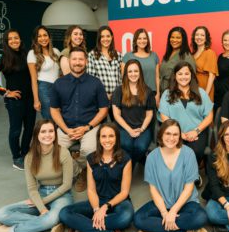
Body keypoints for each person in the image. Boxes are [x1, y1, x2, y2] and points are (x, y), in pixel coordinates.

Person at [0, 119, 73, 232]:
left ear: (55, 134)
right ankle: (51, 223)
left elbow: (67, 185)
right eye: (43, 131)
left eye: (51, 131)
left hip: (62, 195)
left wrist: (43, 202)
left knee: (49, 218)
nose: (47, 135)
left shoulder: (63, 153)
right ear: (37, 135)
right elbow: (32, 188)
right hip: (41, 193)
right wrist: (42, 207)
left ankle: (5, 231)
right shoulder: (30, 158)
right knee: (2, 213)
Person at [59, 123, 133, 232]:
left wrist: (105, 208)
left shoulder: (125, 159)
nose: (107, 140)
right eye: (104, 136)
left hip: (119, 202)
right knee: (65, 213)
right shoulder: (91, 159)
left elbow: (124, 192)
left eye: (111, 136)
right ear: (99, 139)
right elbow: (92, 190)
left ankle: (81, 227)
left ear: (117, 138)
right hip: (97, 201)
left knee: (126, 217)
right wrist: (96, 210)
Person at [133, 119, 210, 232]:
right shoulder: (152, 157)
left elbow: (189, 188)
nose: (171, 138)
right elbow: (153, 190)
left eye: (175, 134)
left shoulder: (188, 154)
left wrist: (173, 212)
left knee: (201, 217)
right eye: (168, 133)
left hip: (185, 203)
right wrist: (165, 213)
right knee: (138, 219)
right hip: (162, 203)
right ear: (161, 134)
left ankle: (155, 227)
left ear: (180, 136)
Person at [50, 46, 109, 191]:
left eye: (81, 59)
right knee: (52, 151)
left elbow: (103, 110)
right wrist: (65, 129)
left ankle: (83, 171)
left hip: (89, 126)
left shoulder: (96, 83)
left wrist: (87, 127)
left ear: (86, 62)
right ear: (69, 61)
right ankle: (78, 170)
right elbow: (54, 110)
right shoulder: (59, 83)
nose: (77, 62)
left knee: (90, 150)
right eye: (74, 59)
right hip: (66, 127)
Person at [0, 29, 36, 170]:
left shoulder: (28, 55)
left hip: (30, 99)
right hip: (15, 102)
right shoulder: (3, 58)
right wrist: (5, 92)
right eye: (10, 39)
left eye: (16, 37)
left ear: (20, 39)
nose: (14, 40)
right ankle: (16, 157)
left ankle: (25, 153)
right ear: (7, 42)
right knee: (15, 130)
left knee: (29, 128)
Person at [159, 61, 213, 186]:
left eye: (186, 74)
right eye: (180, 74)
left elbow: (209, 116)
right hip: (174, 133)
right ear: (175, 76)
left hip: (197, 132)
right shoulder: (167, 94)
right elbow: (164, 117)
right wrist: (179, 134)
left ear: (191, 76)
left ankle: (188, 177)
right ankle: (191, 177)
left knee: (194, 152)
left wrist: (196, 131)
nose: (183, 77)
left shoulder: (201, 93)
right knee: (178, 151)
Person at [112, 59, 155, 167]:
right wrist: (129, 130)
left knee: (140, 147)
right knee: (126, 144)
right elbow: (116, 115)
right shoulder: (119, 90)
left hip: (143, 127)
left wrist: (142, 129)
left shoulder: (148, 91)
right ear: (126, 74)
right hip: (123, 127)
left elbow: (149, 114)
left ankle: (128, 167)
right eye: (130, 71)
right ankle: (134, 164)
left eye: (136, 71)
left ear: (140, 73)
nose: (133, 74)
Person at [27, 25, 61, 120]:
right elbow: (33, 79)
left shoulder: (56, 52)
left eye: (45, 35)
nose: (43, 38)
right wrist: (36, 100)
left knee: (60, 116)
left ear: (49, 37)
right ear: (36, 39)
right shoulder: (32, 54)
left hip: (58, 87)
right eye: (39, 36)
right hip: (44, 88)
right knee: (50, 118)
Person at [122, 28, 161, 106]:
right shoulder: (128, 56)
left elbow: (157, 77)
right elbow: (124, 78)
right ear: (135, 40)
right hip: (134, 94)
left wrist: (158, 94)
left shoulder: (154, 56)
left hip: (152, 93)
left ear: (148, 40)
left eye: (144, 38)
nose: (142, 41)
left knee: (152, 116)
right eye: (139, 38)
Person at [88, 25, 122, 101]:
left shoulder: (118, 55)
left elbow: (121, 78)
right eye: (102, 37)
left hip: (117, 99)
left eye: (108, 36)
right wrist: (103, 94)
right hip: (100, 98)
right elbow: (91, 79)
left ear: (112, 37)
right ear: (99, 39)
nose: (105, 39)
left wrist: (118, 94)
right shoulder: (92, 55)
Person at [159, 27, 196, 93]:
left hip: (176, 93)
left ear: (183, 40)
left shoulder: (186, 56)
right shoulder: (168, 54)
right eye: (172, 37)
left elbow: (192, 77)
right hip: (163, 92)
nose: (174, 40)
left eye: (178, 38)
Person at [191, 26, 218, 101]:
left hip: (205, 87)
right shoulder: (192, 54)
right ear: (194, 37)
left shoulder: (210, 53)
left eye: (202, 35)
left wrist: (205, 94)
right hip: (193, 87)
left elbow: (212, 76)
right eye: (197, 35)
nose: (199, 37)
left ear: (206, 38)